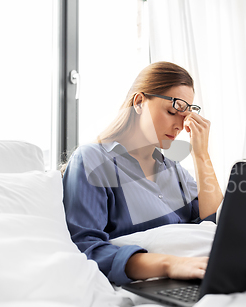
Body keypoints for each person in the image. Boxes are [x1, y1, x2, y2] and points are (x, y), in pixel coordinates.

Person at [61, 61, 223, 286]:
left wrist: (201, 155)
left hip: (197, 278)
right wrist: (169, 263)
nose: (180, 125)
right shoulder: (92, 160)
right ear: (139, 102)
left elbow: (216, 225)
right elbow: (86, 247)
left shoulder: (176, 172)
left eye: (185, 116)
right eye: (172, 112)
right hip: (150, 284)